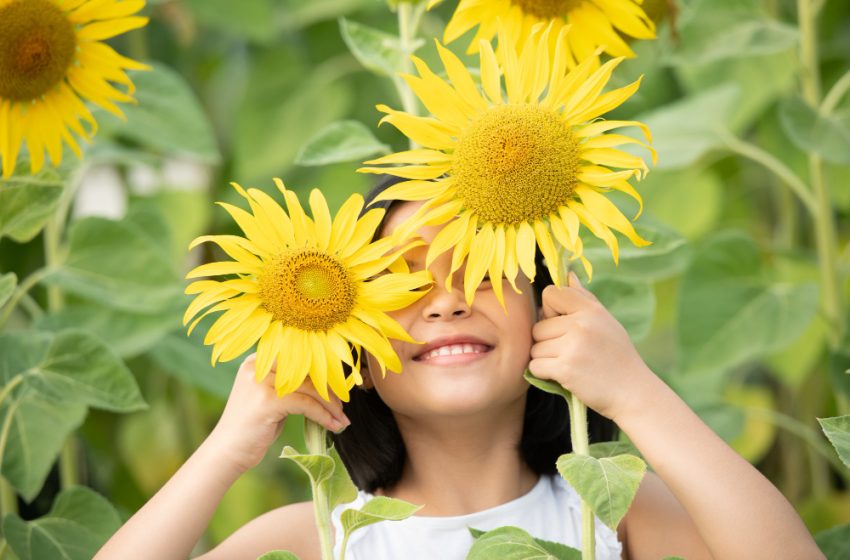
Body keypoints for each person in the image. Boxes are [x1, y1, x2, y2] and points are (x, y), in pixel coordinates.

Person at [95, 178, 824, 560]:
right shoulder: (322, 538)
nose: (445, 304)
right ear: (352, 349)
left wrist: (636, 393)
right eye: (402, 284)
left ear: (547, 309)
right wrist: (227, 449)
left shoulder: (613, 516)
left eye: (480, 270)